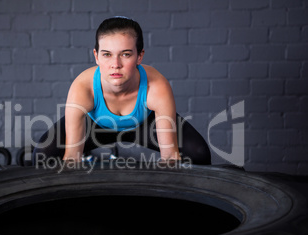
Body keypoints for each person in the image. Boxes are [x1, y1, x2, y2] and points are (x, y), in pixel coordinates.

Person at [33, 17, 211, 165]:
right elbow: (72, 158)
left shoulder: (156, 86)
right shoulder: (83, 88)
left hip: (145, 124)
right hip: (96, 126)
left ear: (139, 56)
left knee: (198, 153)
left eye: (125, 54)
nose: (115, 65)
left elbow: (170, 157)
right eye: (107, 54)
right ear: (96, 56)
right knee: (43, 155)